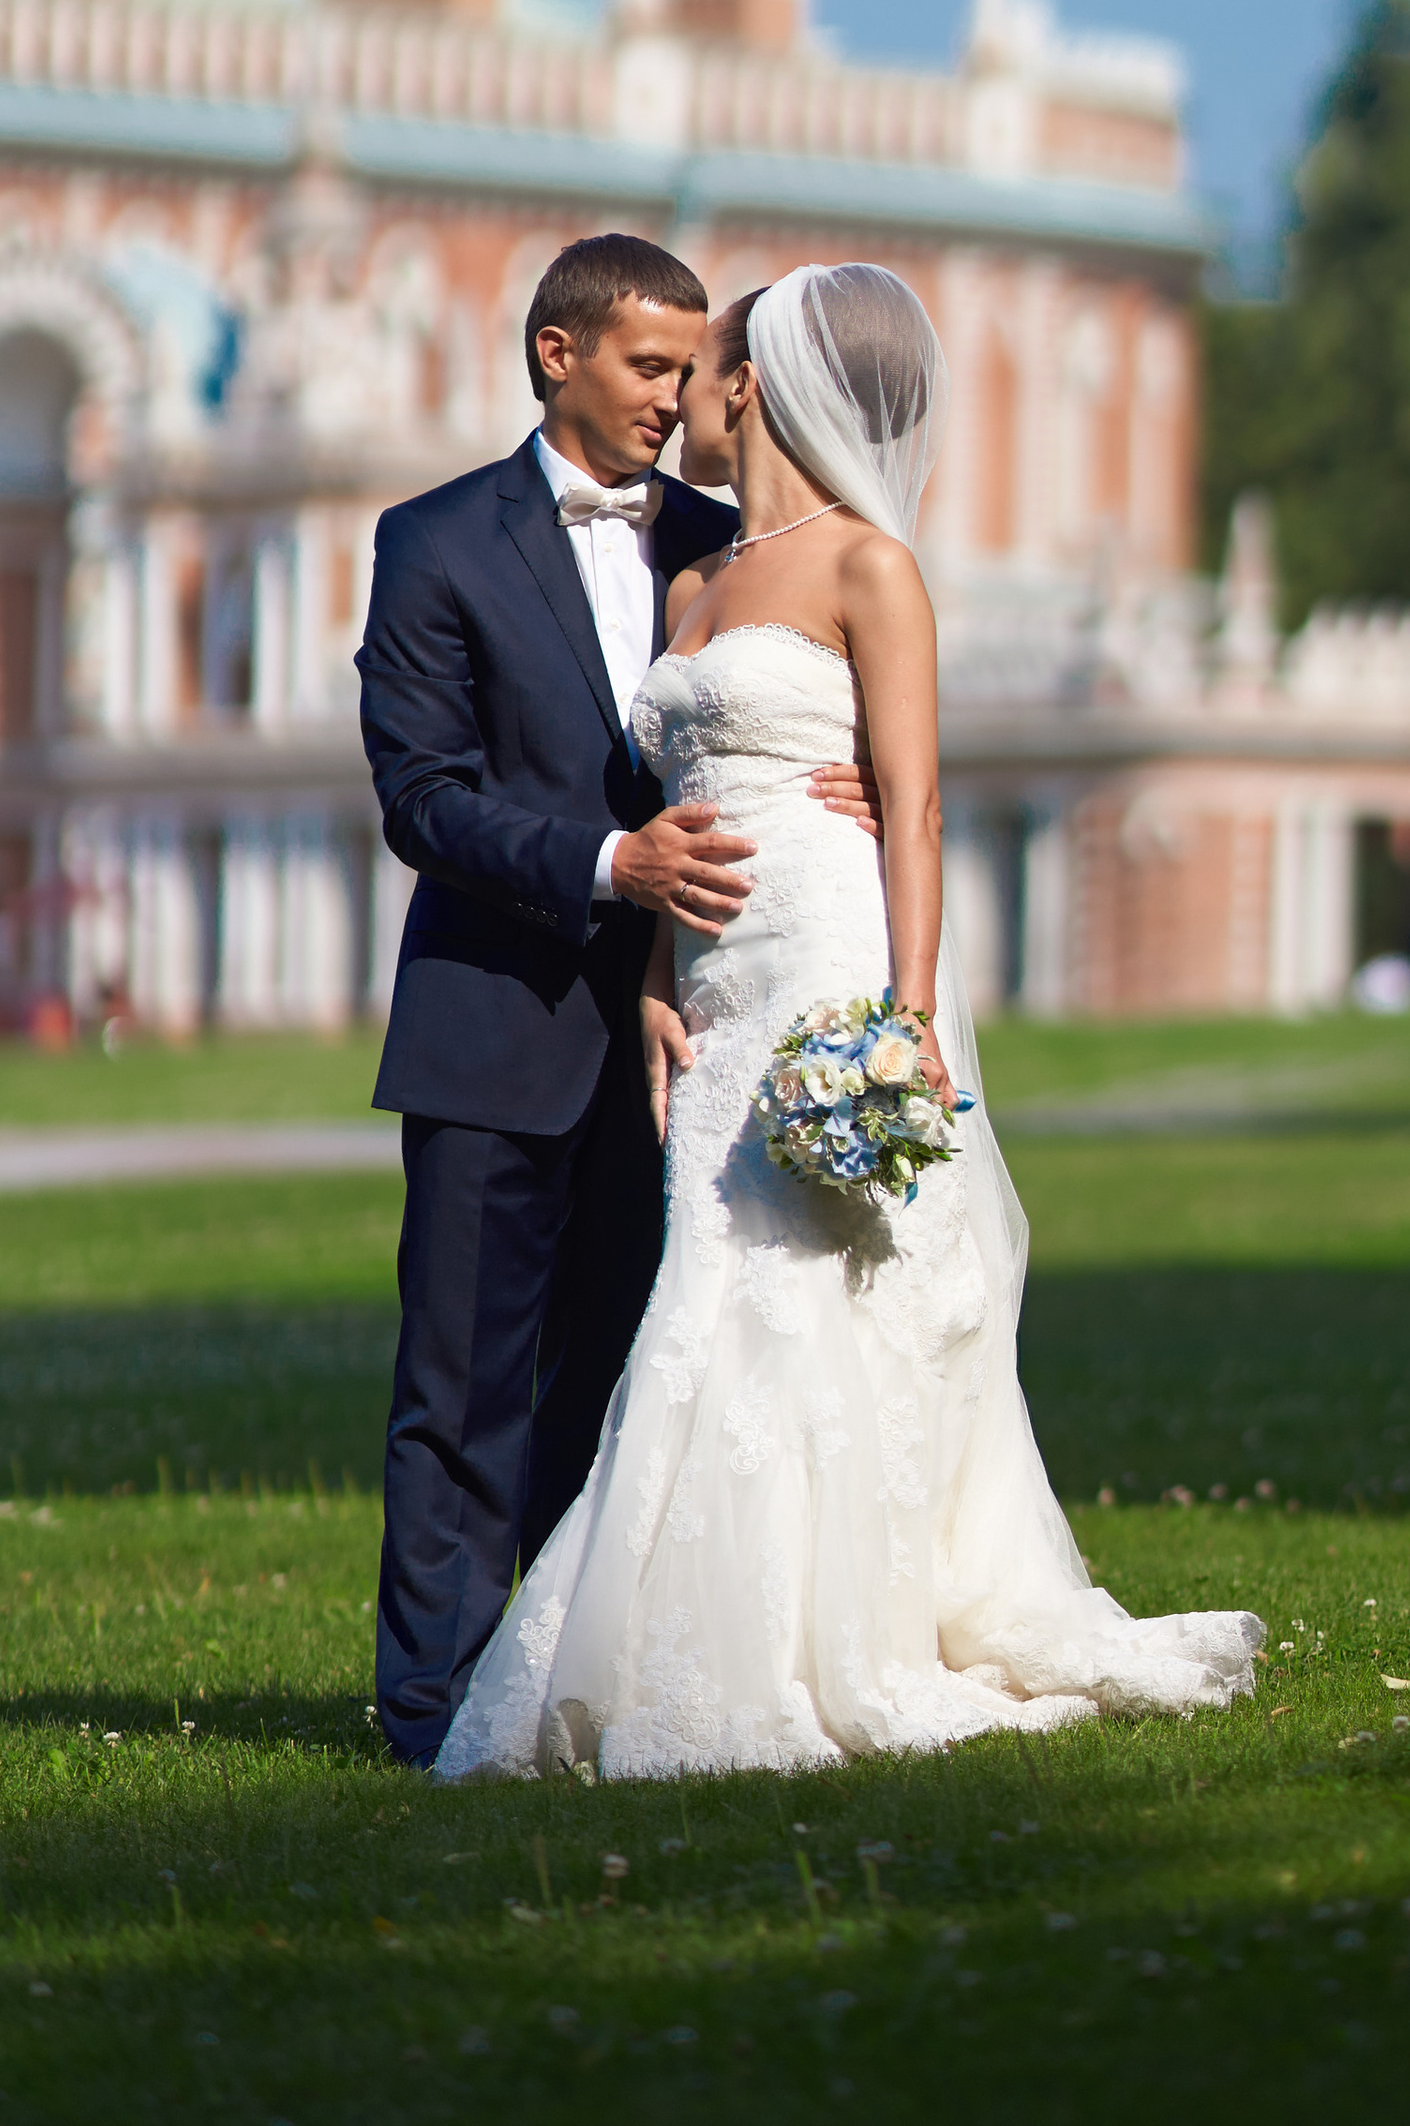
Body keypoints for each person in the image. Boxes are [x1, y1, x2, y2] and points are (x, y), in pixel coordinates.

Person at [433, 259, 1262, 1781]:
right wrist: (661, 982)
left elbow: (920, 798)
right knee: (704, 1291)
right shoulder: (692, 581)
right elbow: (669, 792)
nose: (683, 393)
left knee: (813, 1281)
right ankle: (666, 1636)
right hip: (713, 982)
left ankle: (841, 1634)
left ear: (754, 386)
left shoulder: (872, 568)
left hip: (829, 948)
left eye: (709, 368)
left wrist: (911, 1014)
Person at [359, 233, 880, 1770]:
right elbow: (422, 798)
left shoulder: (730, 547)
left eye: (687, 370)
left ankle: (577, 1687)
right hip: (492, 1023)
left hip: (687, 1037)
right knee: (458, 1389)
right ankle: (431, 1713)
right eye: (652, 367)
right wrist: (608, 862)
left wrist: (839, 778)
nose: (680, 399)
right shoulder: (432, 542)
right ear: (556, 355)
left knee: (623, 1380)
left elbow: (831, 697)